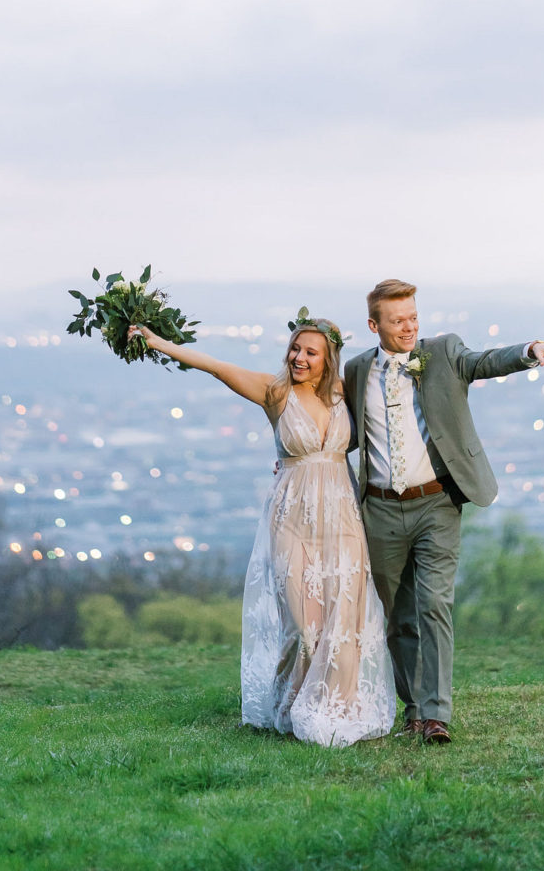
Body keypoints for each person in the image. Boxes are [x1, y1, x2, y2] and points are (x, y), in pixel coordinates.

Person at [129, 310, 395, 747]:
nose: (300, 357)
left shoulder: (346, 393)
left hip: (343, 514)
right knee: (304, 626)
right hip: (292, 517)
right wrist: (158, 342)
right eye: (295, 348)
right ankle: (293, 705)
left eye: (311, 352)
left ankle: (340, 708)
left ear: (329, 359)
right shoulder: (275, 393)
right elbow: (216, 367)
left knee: (344, 617)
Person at [343, 278, 544, 746]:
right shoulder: (355, 372)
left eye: (413, 317)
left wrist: (531, 350)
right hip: (382, 511)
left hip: (438, 502)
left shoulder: (443, 351)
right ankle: (411, 708)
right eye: (397, 321)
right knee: (397, 616)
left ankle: (436, 716)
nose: (408, 328)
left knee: (434, 605)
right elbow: (346, 433)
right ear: (374, 325)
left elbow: (483, 362)